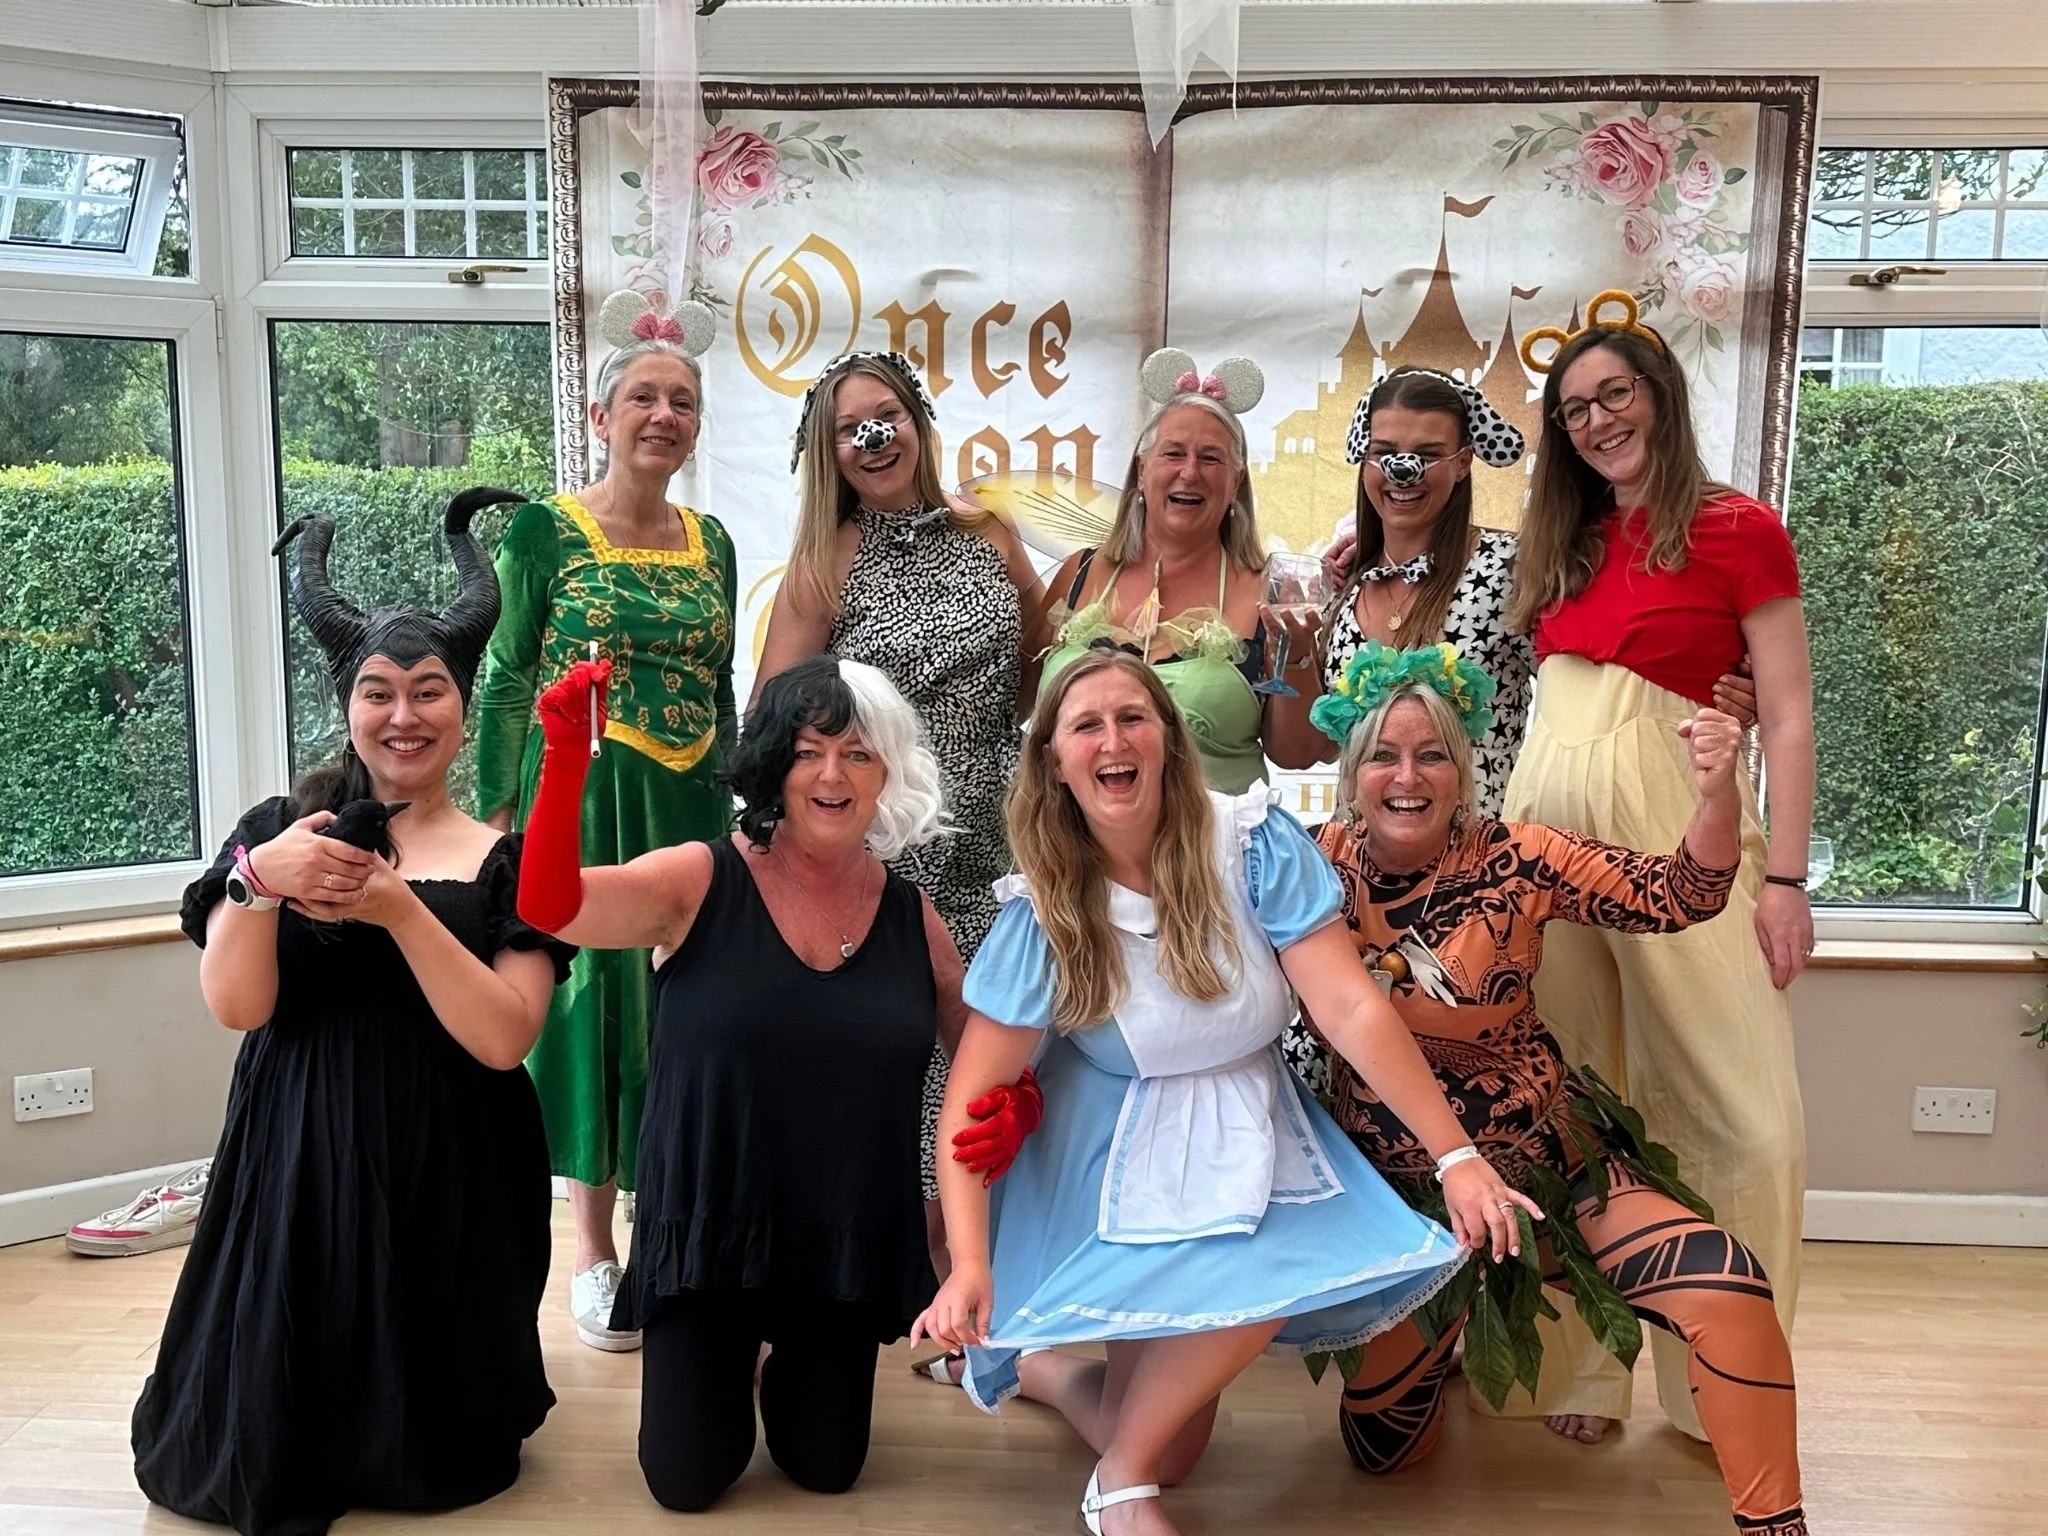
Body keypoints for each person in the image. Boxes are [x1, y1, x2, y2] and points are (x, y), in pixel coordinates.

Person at [914, 649, 1537, 1536]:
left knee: (1259, 1281)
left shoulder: (1250, 842)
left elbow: (1350, 1005)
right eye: (1086, 726)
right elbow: (970, 1103)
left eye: (1133, 717)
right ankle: (1092, 1439)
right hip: (1113, 1147)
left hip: (1248, 1113)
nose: (1113, 740)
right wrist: (971, 1263)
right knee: (1169, 1445)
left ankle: (1110, 1466)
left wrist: (1456, 1155)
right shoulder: (1043, 911)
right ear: (1054, 762)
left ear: (1169, 740)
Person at [133, 491, 570, 1536]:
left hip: (452, 1159)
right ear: (348, 705)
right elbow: (239, 1005)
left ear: (462, 706)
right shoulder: (279, 830)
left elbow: (505, 1037)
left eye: (428, 691)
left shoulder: (506, 858)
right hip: (298, 1145)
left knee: (440, 1452)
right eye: (378, 692)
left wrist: (396, 909)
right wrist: (256, 883)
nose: (403, 716)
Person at [1295, 642, 1805, 1536]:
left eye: (1432, 754)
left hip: (1546, 1168)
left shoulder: (1518, 856)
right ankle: (1443, 1333)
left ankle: (1779, 1525)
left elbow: (1682, 894)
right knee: (1379, 1451)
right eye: (1384, 755)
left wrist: (1717, 795)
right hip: (1401, 1212)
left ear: (1463, 768)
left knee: (1728, 1292)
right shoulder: (1305, 870)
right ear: (1352, 769)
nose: (1407, 777)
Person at [514, 652, 965, 1512]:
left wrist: (1014, 1102)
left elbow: (982, 1051)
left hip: (840, 1234)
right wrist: (566, 759)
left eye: (858, 753)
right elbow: (549, 908)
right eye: (807, 751)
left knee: (826, 1468)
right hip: (709, 1231)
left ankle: (776, 1360)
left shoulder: (914, 916)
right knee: (687, 1481)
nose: (831, 775)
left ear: (887, 773)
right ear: (771, 764)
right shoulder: (698, 878)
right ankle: (733, 1356)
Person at [1501, 290, 1813, 1444]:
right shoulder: (1562, 540)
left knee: (1738, 1115)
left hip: (1678, 830)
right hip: (1547, 838)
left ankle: (1721, 1381)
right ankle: (1581, 1372)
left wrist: (1784, 881)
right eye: (1572, 408)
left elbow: (1785, 712)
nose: (1595, 421)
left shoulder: (1737, 528)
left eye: (1612, 394)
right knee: (1570, 1100)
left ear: (1659, 397)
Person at [473, 323, 736, 1352]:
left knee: (684, 1010)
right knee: (590, 1004)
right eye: (643, 398)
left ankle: (666, 1228)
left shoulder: (713, 541)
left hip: (690, 808)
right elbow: (505, 675)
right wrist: (497, 821)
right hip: (580, 804)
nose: (663, 416)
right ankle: (592, 1250)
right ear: (600, 417)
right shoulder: (543, 531)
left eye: (682, 402)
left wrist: (739, 801)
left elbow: (720, 684)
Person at [753, 349, 1045, 1259]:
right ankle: (880, 1272)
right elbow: (773, 718)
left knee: (984, 1057)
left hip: (996, 844)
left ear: (918, 422)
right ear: (828, 452)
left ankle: (966, 1277)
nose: (873, 438)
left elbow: (1042, 662)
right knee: (895, 1065)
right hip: (886, 854)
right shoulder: (824, 561)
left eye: (887, 416)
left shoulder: (989, 530)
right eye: (850, 428)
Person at [1293, 364, 1757, 819]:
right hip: (1358, 858)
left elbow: (1608, 667)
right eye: (1385, 451)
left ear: (1463, 462)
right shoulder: (1347, 583)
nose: (1404, 470)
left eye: (1428, 454)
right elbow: (1321, 744)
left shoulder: (1509, 569)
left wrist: (1719, 679)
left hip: (1482, 857)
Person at [1039, 348, 1325, 794]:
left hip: (1215, 835)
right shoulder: (1080, 572)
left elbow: (1298, 753)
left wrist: (1298, 656)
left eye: (1211, 459)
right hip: (1071, 834)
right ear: (1141, 470)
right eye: (1173, 453)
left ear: (1235, 482)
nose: (1190, 473)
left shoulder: (1269, 592)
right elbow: (1015, 703)